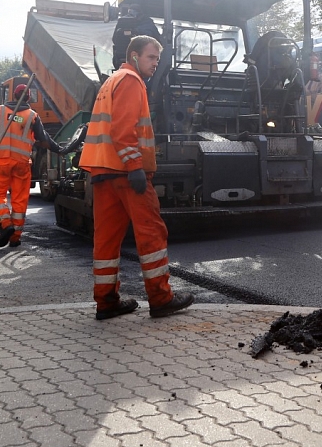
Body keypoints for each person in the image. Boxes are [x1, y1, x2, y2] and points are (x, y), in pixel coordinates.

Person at [79, 35, 194, 320]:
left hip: (103, 172)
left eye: (157, 58)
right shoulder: (131, 81)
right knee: (151, 232)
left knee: (106, 241)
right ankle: (160, 298)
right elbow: (122, 130)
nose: (156, 64)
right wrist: (135, 167)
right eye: (151, 57)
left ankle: (106, 302)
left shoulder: (111, 81)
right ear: (134, 57)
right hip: (125, 173)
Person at [0, 84, 64, 248]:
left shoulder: (1, 111)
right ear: (29, 97)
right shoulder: (32, 116)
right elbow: (44, 140)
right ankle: (15, 238)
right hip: (21, 163)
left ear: (13, 95)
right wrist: (59, 149)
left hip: (1, 162)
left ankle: (6, 224)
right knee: (19, 201)